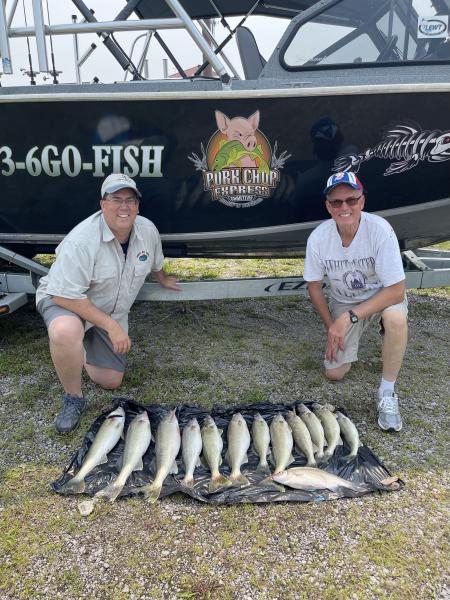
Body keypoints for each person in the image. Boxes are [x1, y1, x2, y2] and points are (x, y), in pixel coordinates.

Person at [36, 173, 181, 433]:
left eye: (130, 200)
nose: (124, 207)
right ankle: (73, 397)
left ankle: (81, 346)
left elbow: (155, 262)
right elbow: (62, 295)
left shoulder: (147, 230)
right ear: (103, 204)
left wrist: (163, 278)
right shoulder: (82, 240)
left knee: (111, 380)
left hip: (106, 311)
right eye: (116, 199)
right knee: (65, 330)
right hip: (66, 299)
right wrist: (112, 327)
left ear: (137, 206)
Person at [304, 171, 408, 432]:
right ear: (328, 207)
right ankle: (354, 339)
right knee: (334, 373)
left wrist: (349, 318)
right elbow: (314, 287)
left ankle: (387, 391)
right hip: (345, 301)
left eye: (351, 200)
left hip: (382, 297)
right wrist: (332, 326)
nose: (345, 207)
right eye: (337, 202)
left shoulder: (380, 230)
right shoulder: (318, 238)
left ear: (362, 201)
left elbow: (397, 290)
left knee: (395, 318)